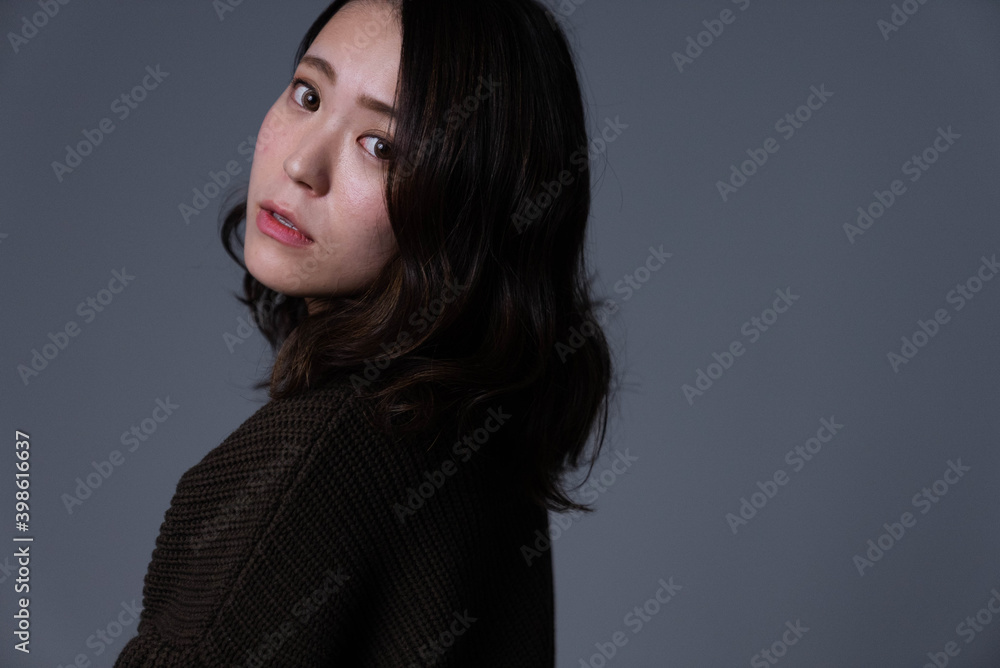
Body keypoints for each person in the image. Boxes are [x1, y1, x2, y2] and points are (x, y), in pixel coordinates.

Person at [115, 0, 616, 665]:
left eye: (380, 146)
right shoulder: (479, 440)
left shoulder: (314, 465)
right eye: (308, 95)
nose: (302, 164)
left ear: (470, 207)